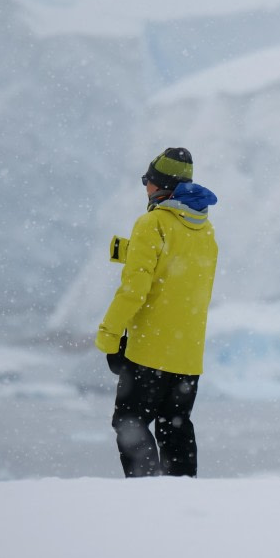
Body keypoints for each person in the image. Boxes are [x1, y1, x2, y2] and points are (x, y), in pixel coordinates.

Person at [96, 148, 218, 477]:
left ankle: (146, 492)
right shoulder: (205, 231)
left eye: (146, 181)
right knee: (174, 428)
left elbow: (134, 290)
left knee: (129, 423)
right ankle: (181, 494)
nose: (145, 188)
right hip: (188, 357)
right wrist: (131, 251)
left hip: (149, 351)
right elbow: (177, 271)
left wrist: (108, 336)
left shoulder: (152, 224)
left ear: (159, 185)